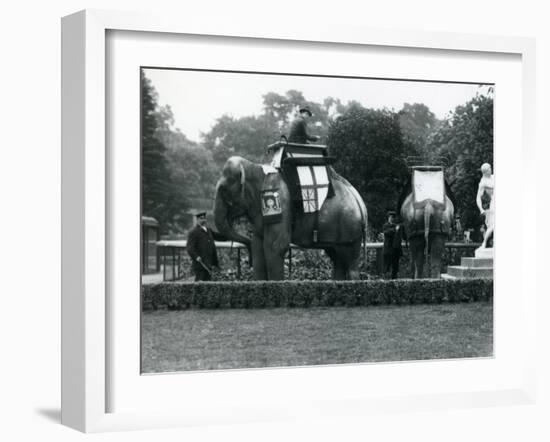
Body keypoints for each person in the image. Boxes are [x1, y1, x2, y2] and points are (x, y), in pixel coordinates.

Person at [186, 211, 219, 281]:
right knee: (199, 285)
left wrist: (229, 235)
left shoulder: (209, 230)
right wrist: (196, 256)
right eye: (201, 218)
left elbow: (219, 237)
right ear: (197, 220)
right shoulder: (193, 232)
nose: (203, 220)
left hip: (209, 264)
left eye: (204, 218)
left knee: (208, 285)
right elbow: (190, 248)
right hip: (200, 264)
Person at [476, 163, 494, 249]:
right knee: (493, 225)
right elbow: (478, 197)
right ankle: (484, 243)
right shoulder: (483, 182)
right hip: (494, 203)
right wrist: (481, 209)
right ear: (486, 172)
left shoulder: (494, 177)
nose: (491, 170)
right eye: (490, 169)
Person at [382, 211, 404, 279]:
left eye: (393, 217)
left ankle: (394, 281)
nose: (392, 218)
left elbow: (400, 236)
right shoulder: (386, 225)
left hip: (396, 250)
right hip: (388, 250)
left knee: (395, 268)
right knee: (386, 268)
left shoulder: (398, 226)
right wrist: (395, 229)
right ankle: (386, 281)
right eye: (390, 217)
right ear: (388, 218)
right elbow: (386, 232)